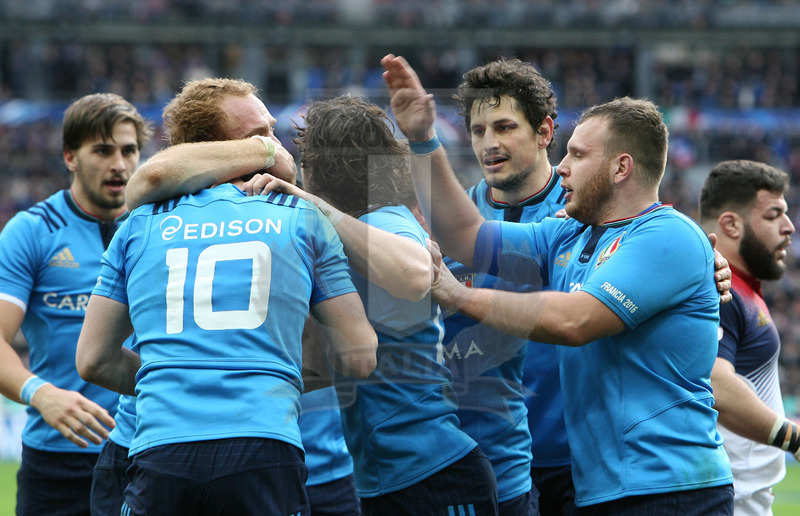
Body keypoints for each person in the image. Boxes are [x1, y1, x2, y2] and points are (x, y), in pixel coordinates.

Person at [383, 53, 734, 514]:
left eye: (578, 155)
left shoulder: (664, 235)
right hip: (568, 476)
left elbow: (576, 322)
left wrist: (459, 294)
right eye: (478, 130)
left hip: (665, 487)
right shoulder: (569, 232)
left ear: (621, 168)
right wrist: (422, 139)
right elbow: (466, 235)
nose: (564, 165)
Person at [128, 94, 500, 515]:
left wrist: (314, 205)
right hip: (384, 475)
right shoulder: (323, 236)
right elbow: (331, 364)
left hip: (434, 470)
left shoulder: (384, 217)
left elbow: (416, 275)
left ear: (321, 166)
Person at [74, 81, 377, 515]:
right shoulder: (303, 218)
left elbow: (93, 360)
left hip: (157, 446)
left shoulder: (137, 225)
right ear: (218, 149)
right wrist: (268, 376)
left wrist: (176, 377)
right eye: (260, 135)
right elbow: (359, 355)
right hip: (264, 446)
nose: (277, 145)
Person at [0, 93, 152, 516]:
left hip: (143, 449)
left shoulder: (160, 228)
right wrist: (40, 394)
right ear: (70, 156)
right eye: (102, 151)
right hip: (58, 458)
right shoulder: (32, 232)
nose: (119, 164)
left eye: (129, 151)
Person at [440, 57, 569, 516]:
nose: (489, 143)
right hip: (487, 463)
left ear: (544, 131)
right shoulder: (447, 227)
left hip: (578, 461)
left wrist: (709, 264)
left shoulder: (592, 214)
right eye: (478, 131)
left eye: (504, 126)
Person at [699, 160, 799, 516]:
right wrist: (793, 438)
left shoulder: (743, 288)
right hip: (729, 499)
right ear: (731, 224)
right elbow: (715, 382)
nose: (789, 226)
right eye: (774, 215)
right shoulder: (715, 286)